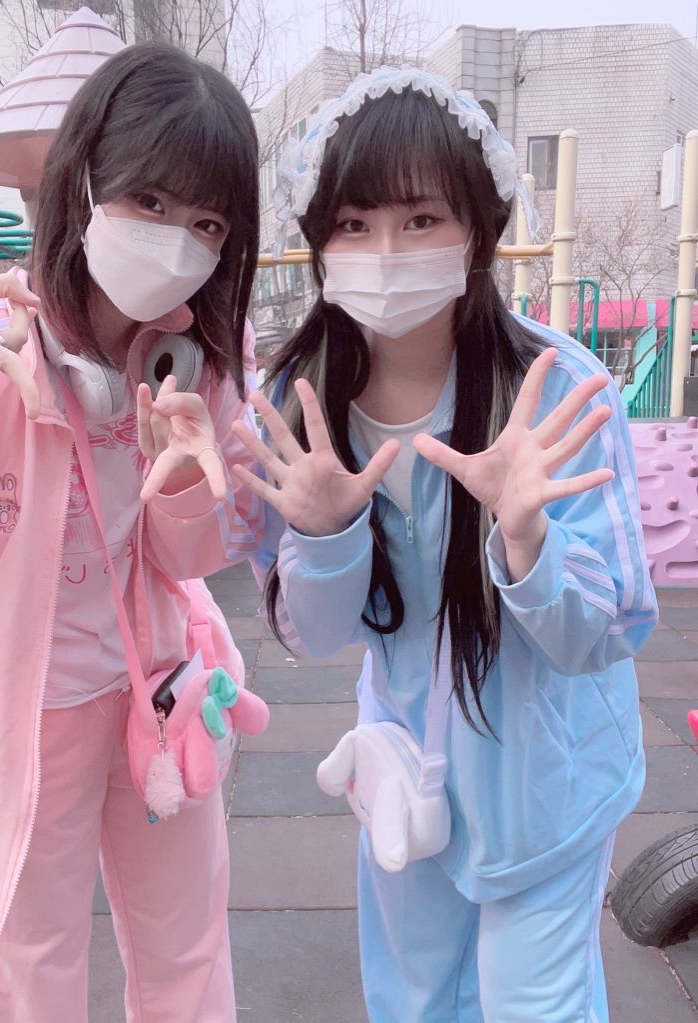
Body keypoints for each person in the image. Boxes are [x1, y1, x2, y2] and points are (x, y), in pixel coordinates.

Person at [232, 67, 657, 1022]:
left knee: (532, 1001)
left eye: (421, 219)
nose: (385, 252)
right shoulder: (304, 397)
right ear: (319, 240)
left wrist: (527, 540)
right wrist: (326, 529)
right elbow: (311, 632)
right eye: (354, 223)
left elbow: (608, 629)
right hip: (408, 765)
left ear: (478, 231)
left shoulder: (555, 389)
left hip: (546, 777)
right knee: (414, 998)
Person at [0, 42, 263, 1022]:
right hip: (27, 717)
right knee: (31, 970)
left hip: (158, 693)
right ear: (84, 182)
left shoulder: (202, 357)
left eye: (207, 222)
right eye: (150, 201)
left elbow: (193, 559)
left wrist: (178, 488)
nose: (177, 240)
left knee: (188, 948)